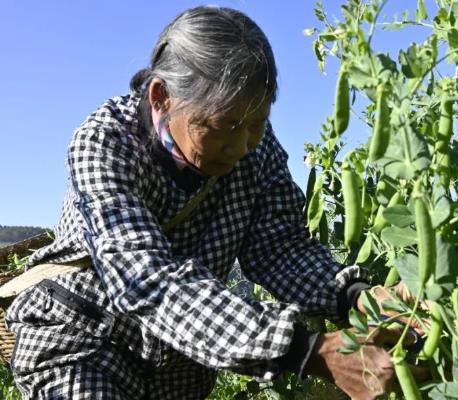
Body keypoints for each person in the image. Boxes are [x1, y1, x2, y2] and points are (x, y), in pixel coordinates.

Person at [6, 6, 423, 399]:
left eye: (257, 124)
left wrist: (355, 296)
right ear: (161, 97)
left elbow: (280, 248)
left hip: (178, 371)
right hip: (85, 346)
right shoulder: (105, 144)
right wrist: (309, 351)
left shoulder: (258, 153)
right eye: (225, 126)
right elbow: (146, 280)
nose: (241, 146)